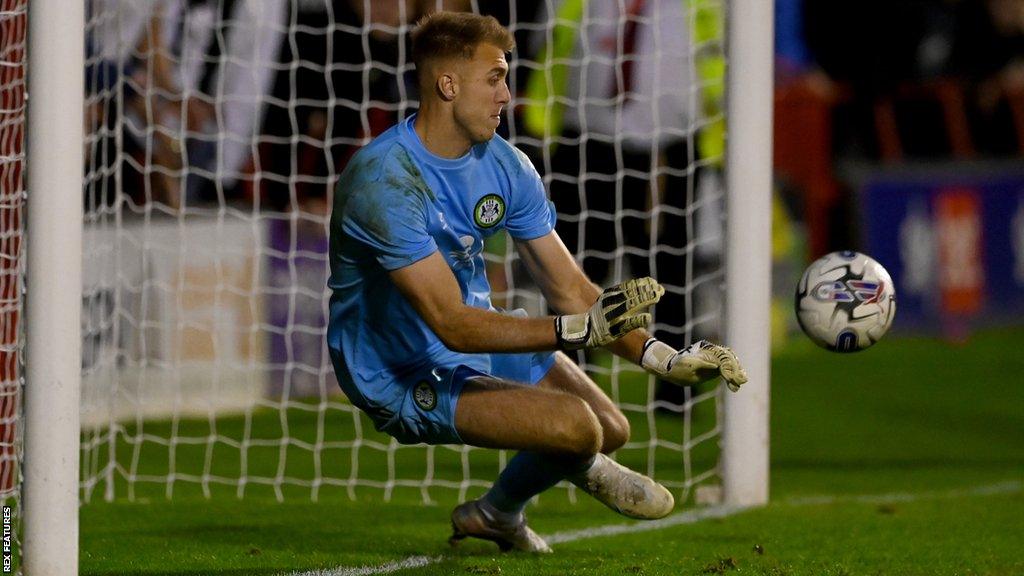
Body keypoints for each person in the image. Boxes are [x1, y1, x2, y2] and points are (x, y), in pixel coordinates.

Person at [326, 11, 747, 553]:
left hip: (474, 335)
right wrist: (575, 331)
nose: (507, 93)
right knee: (576, 428)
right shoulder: (384, 179)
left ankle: (496, 514)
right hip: (396, 368)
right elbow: (452, 323)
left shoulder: (506, 165)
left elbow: (573, 289)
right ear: (447, 84)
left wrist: (662, 357)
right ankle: (567, 475)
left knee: (610, 428)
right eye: (495, 77)